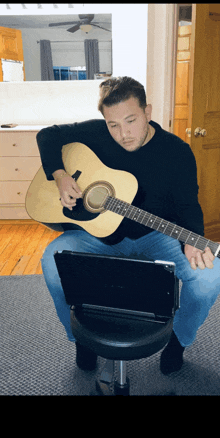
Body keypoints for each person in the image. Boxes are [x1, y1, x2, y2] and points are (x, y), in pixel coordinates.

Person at [37, 77, 220, 374]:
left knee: (210, 277)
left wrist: (193, 237)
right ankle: (80, 340)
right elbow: (48, 135)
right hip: (96, 236)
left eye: (131, 120)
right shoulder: (97, 134)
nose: (123, 134)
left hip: (155, 236)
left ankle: (178, 342)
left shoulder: (177, 152)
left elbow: (188, 204)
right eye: (113, 125)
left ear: (147, 111)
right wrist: (59, 174)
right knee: (51, 262)